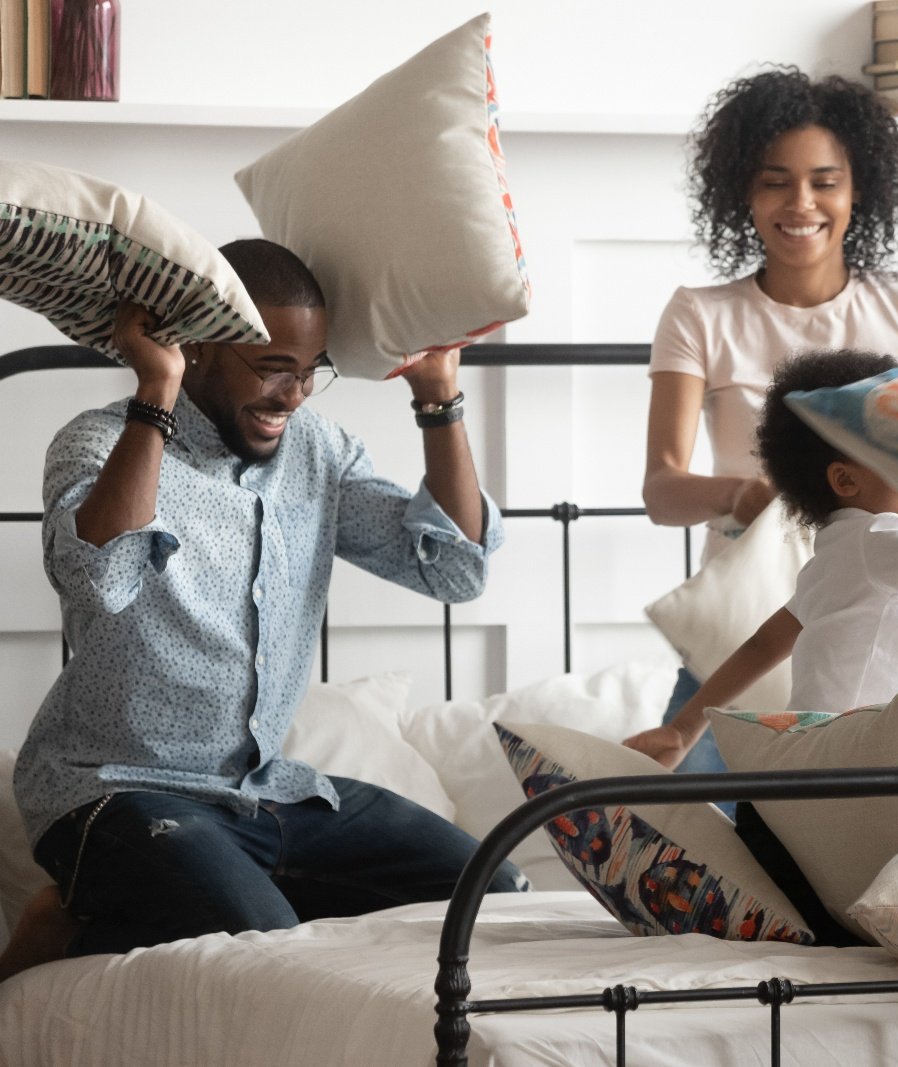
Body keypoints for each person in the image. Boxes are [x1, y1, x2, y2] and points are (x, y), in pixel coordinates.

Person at [0, 239, 521, 984]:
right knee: (273, 961)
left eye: (310, 372)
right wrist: (157, 390)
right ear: (199, 347)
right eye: (274, 368)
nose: (294, 395)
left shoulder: (318, 450)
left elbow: (454, 568)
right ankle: (67, 927)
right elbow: (100, 580)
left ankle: (144, 910)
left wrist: (439, 399)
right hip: (118, 791)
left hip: (269, 792)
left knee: (496, 899)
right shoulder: (99, 439)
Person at [642, 67, 898, 778]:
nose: (801, 203)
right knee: (718, 841)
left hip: (892, 595)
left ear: (860, 188)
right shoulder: (700, 314)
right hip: (744, 610)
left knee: (872, 821)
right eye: (775, 181)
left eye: (825, 181)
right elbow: (661, 489)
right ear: (743, 189)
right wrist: (744, 496)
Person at [626, 349, 898, 769]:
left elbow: (761, 645)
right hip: (856, 773)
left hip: (814, 771)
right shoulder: (880, 542)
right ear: (846, 479)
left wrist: (683, 729)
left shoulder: (836, 552)